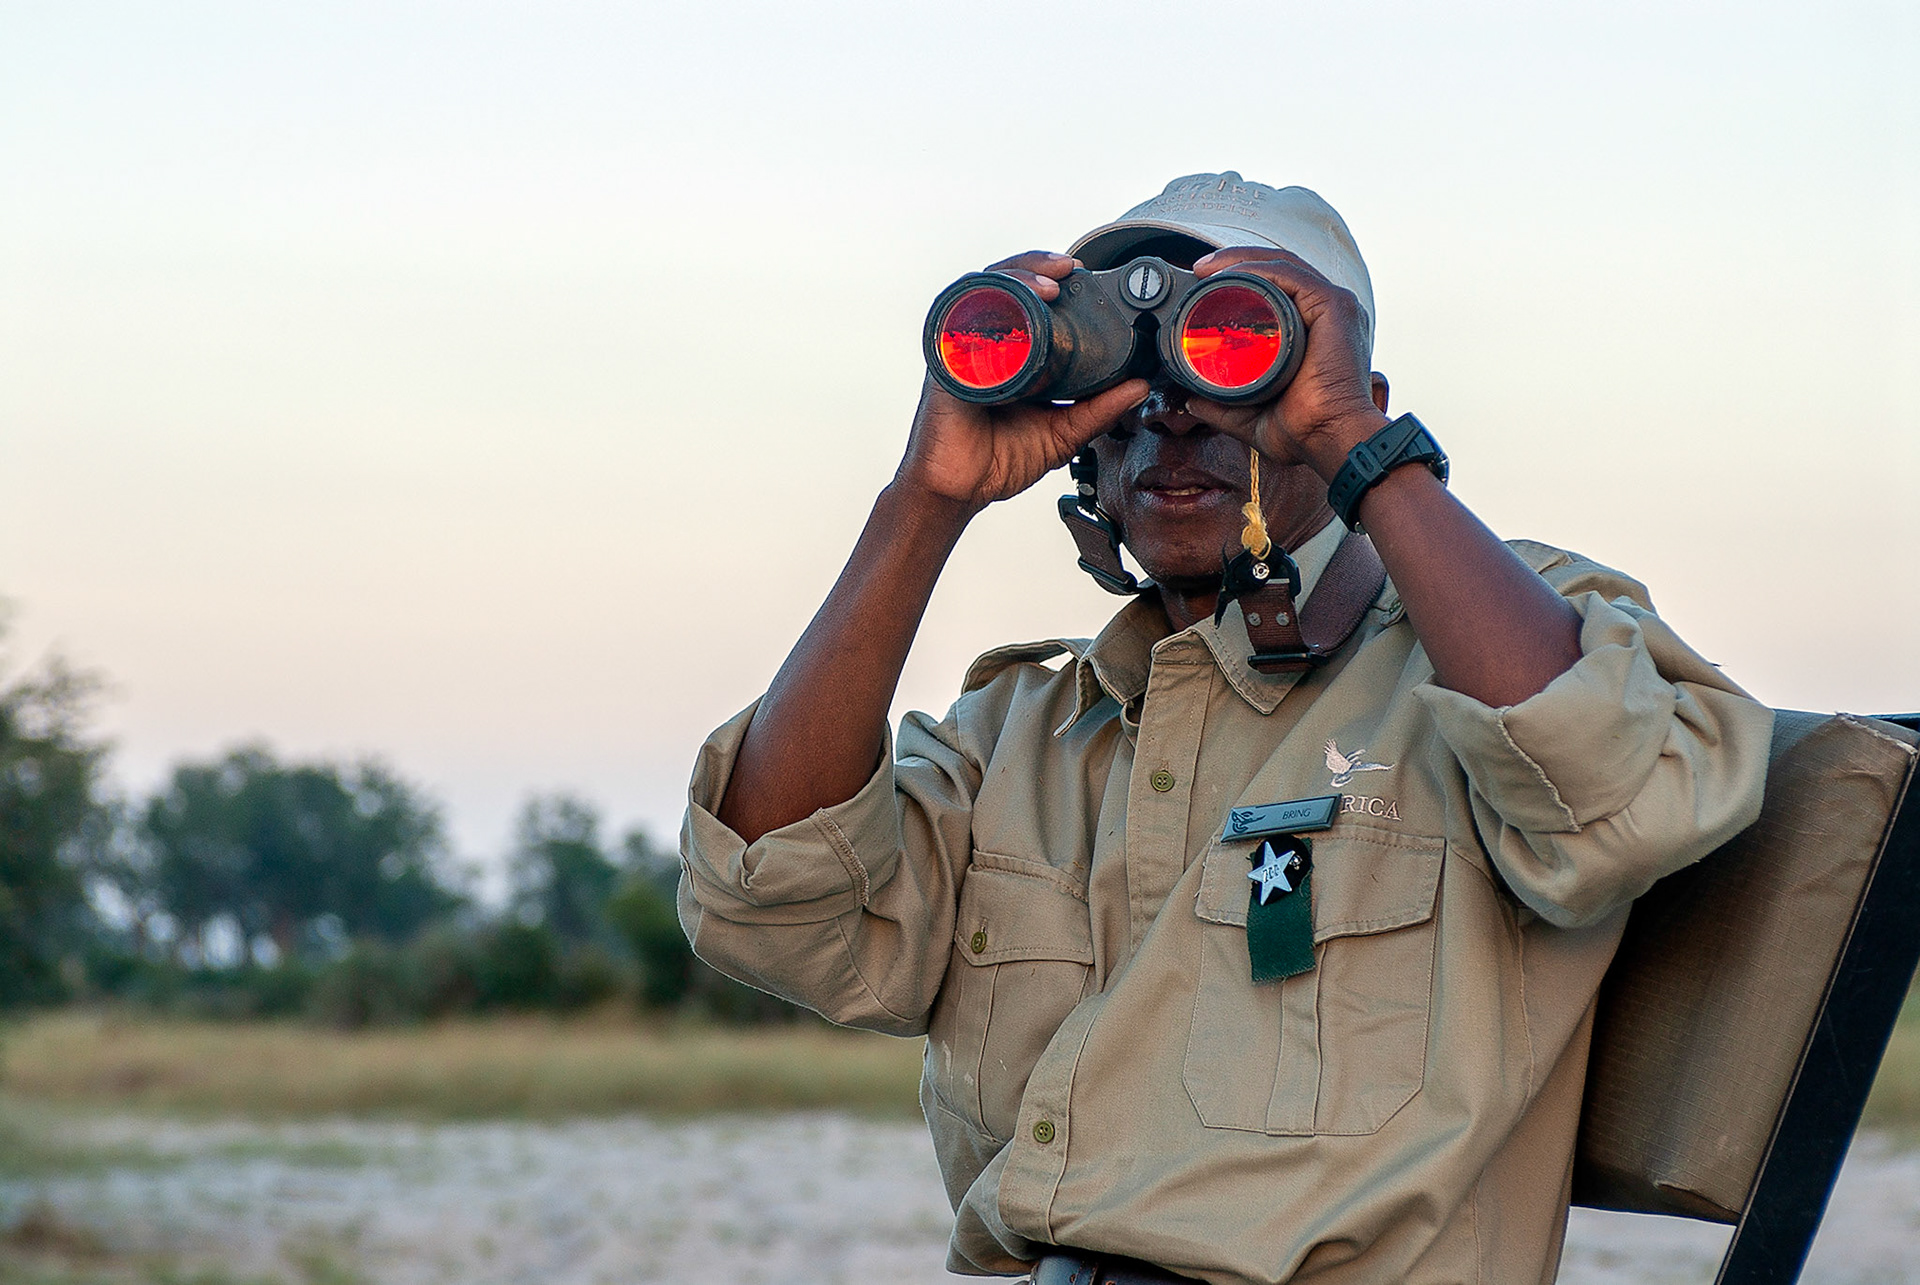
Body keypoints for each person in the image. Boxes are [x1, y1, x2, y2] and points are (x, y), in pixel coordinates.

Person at [676, 173, 1774, 1284]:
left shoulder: (1498, 644)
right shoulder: (1024, 732)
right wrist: (927, 498)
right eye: (1123, 365)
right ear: (1081, 434)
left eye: (1235, 347)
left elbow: (1618, 795)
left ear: (1354, 391)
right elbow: (771, 904)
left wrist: (1361, 444)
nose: (1172, 410)